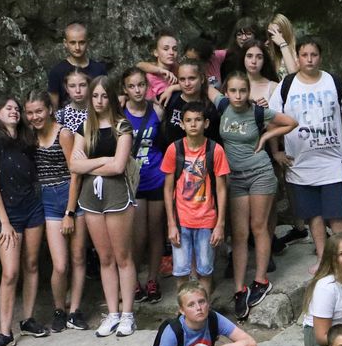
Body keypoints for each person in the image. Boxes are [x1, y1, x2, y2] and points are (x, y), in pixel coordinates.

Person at [218, 70, 296, 319]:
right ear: (226, 92)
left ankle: (261, 280)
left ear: (248, 92)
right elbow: (198, 81)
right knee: (239, 233)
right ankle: (239, 288)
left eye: (243, 91)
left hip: (260, 173)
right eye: (233, 91)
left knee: (258, 226)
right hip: (235, 177)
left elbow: (291, 122)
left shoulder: (258, 111)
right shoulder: (222, 106)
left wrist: (267, 136)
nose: (238, 95)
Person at [274, 37, 342, 266]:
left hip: (334, 164)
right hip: (300, 164)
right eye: (304, 55)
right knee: (314, 216)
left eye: (314, 55)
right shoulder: (287, 85)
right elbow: (271, 118)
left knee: (337, 216)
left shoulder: (333, 82)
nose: (309, 59)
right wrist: (276, 151)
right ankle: (322, 258)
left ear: (320, 57)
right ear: (297, 57)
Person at [69, 76, 138, 337]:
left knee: (122, 256)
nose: (99, 101)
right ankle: (112, 313)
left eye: (103, 95)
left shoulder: (122, 126)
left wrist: (90, 163)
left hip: (117, 195)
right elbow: (74, 165)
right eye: (95, 96)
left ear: (111, 97)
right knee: (105, 257)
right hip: (91, 197)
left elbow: (119, 166)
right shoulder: (85, 127)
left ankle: (128, 314)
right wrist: (102, 160)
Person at [0, 96, 46, 346]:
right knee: (10, 272)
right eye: (9, 108)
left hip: (32, 207)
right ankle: (5, 332)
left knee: (32, 264)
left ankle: (27, 319)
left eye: (17, 109)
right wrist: (3, 221)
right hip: (9, 213)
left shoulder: (27, 140)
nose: (14, 112)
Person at [24, 91, 86, 333]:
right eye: (30, 113)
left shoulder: (64, 133)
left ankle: (75, 311)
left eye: (39, 111)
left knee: (78, 257)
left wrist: (69, 212)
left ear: (50, 110)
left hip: (71, 196)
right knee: (60, 264)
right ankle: (59, 309)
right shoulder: (30, 136)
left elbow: (75, 173)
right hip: (48, 199)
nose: (35, 116)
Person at [162, 101, 228, 296]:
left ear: (206, 123)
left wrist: (220, 224)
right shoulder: (174, 149)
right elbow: (167, 189)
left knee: (205, 270)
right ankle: (185, 309)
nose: (193, 124)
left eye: (198, 120)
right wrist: (171, 224)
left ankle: (204, 308)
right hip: (181, 220)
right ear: (182, 124)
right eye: (188, 120)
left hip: (207, 219)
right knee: (181, 270)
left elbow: (222, 189)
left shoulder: (215, 150)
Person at [121, 68, 168, 305]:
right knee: (138, 235)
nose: (137, 90)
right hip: (134, 181)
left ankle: (152, 279)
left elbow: (163, 141)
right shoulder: (120, 114)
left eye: (141, 85)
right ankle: (133, 280)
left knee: (156, 230)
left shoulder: (157, 111)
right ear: (125, 89)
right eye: (132, 86)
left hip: (157, 176)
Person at [47, 23, 108, 111]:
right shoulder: (57, 72)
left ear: (87, 42)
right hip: (68, 118)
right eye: (73, 43)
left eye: (81, 42)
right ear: (65, 43)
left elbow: (107, 97)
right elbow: (54, 108)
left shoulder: (99, 69)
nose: (77, 47)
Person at [141, 29, 181, 103]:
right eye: (166, 49)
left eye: (175, 49)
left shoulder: (179, 70)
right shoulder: (148, 77)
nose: (171, 52)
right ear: (156, 52)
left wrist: (173, 88)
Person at [240, 40, 280, 107]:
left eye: (259, 57)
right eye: (249, 56)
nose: (254, 61)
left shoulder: (273, 87)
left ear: (264, 60)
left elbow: (280, 112)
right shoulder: (233, 83)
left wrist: (268, 110)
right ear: (243, 58)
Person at [53, 69, 92, 134]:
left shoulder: (98, 112)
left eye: (82, 85)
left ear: (89, 86)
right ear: (66, 88)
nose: (78, 90)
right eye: (72, 86)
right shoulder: (60, 117)